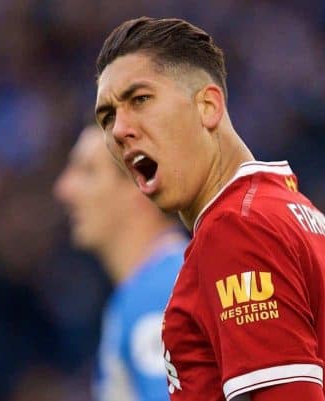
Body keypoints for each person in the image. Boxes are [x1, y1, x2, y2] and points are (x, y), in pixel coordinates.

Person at [93, 16, 325, 401]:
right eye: (108, 117)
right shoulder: (302, 216)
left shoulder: (236, 229)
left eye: (140, 100)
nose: (119, 130)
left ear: (207, 106)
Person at [54, 125, 188, 401]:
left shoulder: (160, 294)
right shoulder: (158, 285)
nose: (64, 189)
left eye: (88, 171)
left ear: (142, 185)